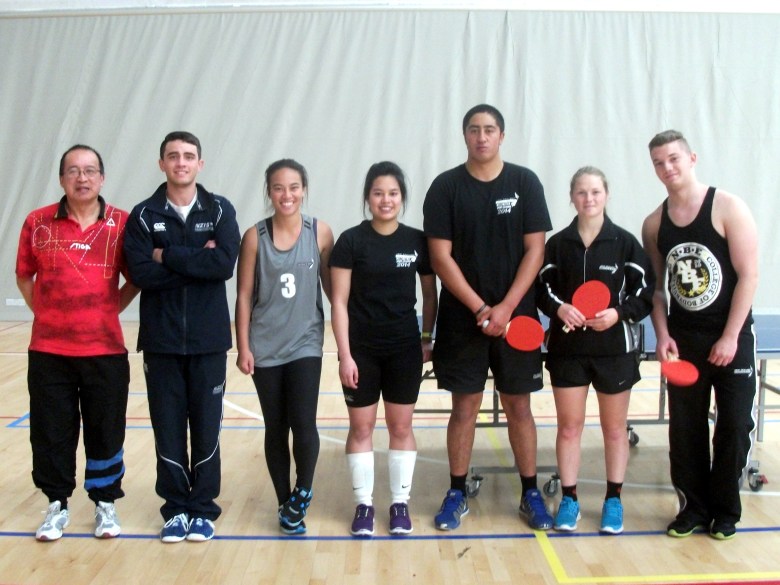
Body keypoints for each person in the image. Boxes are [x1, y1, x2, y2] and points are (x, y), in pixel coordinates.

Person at [423, 104, 554, 531]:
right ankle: (456, 491)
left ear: (502, 136)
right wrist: (480, 308)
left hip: (516, 317)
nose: (482, 137)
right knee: (465, 406)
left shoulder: (524, 183)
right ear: (464, 136)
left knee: (519, 405)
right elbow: (440, 258)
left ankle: (530, 492)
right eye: (474, 130)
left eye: (490, 129)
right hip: (464, 320)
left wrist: (506, 307)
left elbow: (536, 250)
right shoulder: (445, 188)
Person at [16, 144, 139, 541]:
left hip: (105, 350)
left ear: (102, 178)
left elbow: (135, 278)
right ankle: (57, 504)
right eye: (73, 171)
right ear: (61, 179)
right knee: (51, 431)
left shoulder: (122, 223)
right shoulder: (37, 222)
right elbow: (24, 276)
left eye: (89, 171)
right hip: (49, 352)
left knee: (106, 429)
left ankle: (105, 503)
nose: (81, 178)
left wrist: (108, 310)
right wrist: (46, 313)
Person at [641, 130, 758, 541]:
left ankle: (725, 511)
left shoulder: (728, 207)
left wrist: (730, 336)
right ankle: (692, 509)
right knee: (685, 428)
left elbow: (749, 275)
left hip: (731, 337)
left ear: (691, 158)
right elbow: (657, 290)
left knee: (734, 425)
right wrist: (662, 335)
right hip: (684, 341)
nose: (667, 168)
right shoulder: (654, 223)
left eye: (673, 158)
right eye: (658, 162)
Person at [124, 131, 240, 543]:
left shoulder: (220, 209)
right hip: (162, 342)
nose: (181, 162)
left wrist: (167, 254)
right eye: (173, 156)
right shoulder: (143, 215)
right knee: (168, 428)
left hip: (209, 342)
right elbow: (142, 273)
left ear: (199, 164)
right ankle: (175, 509)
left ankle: (203, 508)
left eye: (188, 156)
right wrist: (197, 261)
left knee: (207, 428)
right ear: (162, 164)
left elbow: (223, 265)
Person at [537, 166, 654, 534]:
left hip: (613, 351)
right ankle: (570, 499)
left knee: (614, 430)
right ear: (572, 197)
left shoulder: (625, 243)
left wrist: (618, 314)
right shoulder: (557, 244)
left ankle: (613, 500)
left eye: (595, 192)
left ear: (607, 195)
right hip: (568, 350)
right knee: (569, 427)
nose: (589, 198)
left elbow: (645, 293)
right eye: (582, 192)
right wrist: (559, 309)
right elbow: (541, 289)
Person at [329, 161, 438, 537]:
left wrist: (426, 337)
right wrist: (345, 354)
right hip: (361, 351)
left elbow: (429, 294)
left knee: (401, 426)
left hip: (404, 350)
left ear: (402, 198)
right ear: (368, 198)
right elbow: (339, 302)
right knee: (361, 427)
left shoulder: (416, 241)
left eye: (393, 193)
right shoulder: (350, 242)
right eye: (378, 193)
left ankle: (399, 503)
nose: (386, 200)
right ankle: (363, 505)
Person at [235, 159, 333, 535]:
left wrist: (350, 334)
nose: (286, 194)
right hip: (265, 345)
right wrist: (243, 346)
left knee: (303, 422)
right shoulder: (254, 237)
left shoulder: (320, 233)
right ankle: (284, 502)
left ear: (303, 189)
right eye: (278, 188)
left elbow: (334, 291)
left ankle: (303, 492)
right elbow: (244, 296)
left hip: (306, 343)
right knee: (276, 426)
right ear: (269, 192)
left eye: (293, 187)